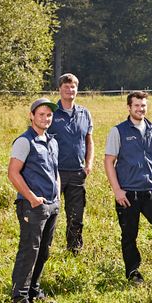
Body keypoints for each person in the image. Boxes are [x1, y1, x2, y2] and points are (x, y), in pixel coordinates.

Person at [104, 91, 152, 282]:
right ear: (129, 107)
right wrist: (117, 190)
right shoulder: (118, 131)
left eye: (143, 105)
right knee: (129, 235)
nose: (140, 109)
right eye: (137, 105)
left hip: (151, 191)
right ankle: (133, 272)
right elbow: (109, 161)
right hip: (127, 193)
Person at [8, 98, 62, 303]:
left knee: (43, 251)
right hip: (32, 206)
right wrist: (31, 198)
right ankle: (19, 297)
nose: (46, 118)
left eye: (49, 115)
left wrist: (57, 197)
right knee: (29, 250)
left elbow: (55, 171)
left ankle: (34, 291)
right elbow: (13, 173)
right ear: (31, 116)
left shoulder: (52, 141)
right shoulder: (24, 141)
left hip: (51, 204)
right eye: (41, 114)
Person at [47, 73, 93, 254]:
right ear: (59, 89)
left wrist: (88, 164)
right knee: (50, 212)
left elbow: (89, 140)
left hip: (77, 172)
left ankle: (74, 249)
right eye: (66, 87)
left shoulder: (84, 113)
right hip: (55, 172)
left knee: (76, 215)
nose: (69, 90)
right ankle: (44, 248)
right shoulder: (51, 112)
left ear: (77, 89)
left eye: (73, 87)